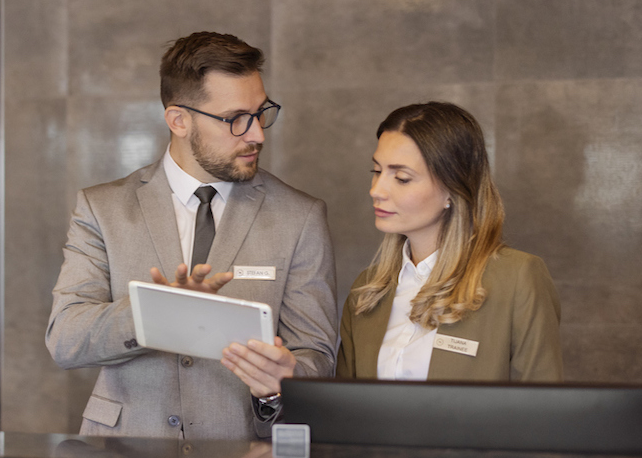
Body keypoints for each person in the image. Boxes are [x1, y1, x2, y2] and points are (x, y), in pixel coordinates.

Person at [46, 32, 337, 440]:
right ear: (179, 120)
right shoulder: (102, 208)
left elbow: (317, 358)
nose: (257, 135)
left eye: (261, 112)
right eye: (236, 118)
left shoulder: (301, 216)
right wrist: (158, 312)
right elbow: (66, 339)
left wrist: (277, 387)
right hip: (123, 456)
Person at [222, 101, 562, 392]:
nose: (377, 190)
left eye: (401, 178)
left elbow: (545, 416)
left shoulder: (518, 278)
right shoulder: (367, 292)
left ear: (452, 189)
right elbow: (346, 415)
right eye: (376, 171)